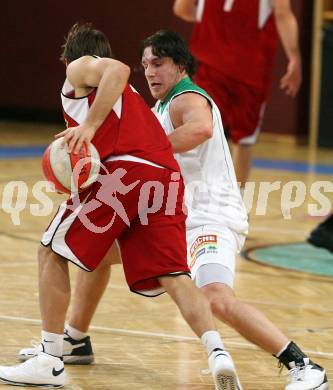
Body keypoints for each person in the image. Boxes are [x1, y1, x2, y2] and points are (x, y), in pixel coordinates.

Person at [17, 30, 329, 390]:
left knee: (216, 298)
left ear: (181, 66)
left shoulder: (188, 96)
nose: (150, 71)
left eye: (159, 63)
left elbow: (201, 128)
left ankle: (303, 365)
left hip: (209, 217)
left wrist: (146, 151)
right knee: (95, 253)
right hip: (173, 213)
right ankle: (74, 339)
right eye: (146, 64)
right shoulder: (155, 109)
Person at [0, 23, 233, 389]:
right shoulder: (129, 98)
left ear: (68, 58)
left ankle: (49, 358)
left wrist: (89, 126)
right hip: (166, 179)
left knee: (50, 250)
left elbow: (119, 68)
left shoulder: (81, 68)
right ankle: (218, 351)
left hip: (130, 174)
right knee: (174, 274)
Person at [173, 0, 302, 190]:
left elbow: (181, 9)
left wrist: (212, 22)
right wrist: (294, 58)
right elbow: (283, 14)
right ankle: (234, 204)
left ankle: (188, 197)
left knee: (196, 131)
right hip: (250, 70)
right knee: (244, 139)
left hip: (208, 62)